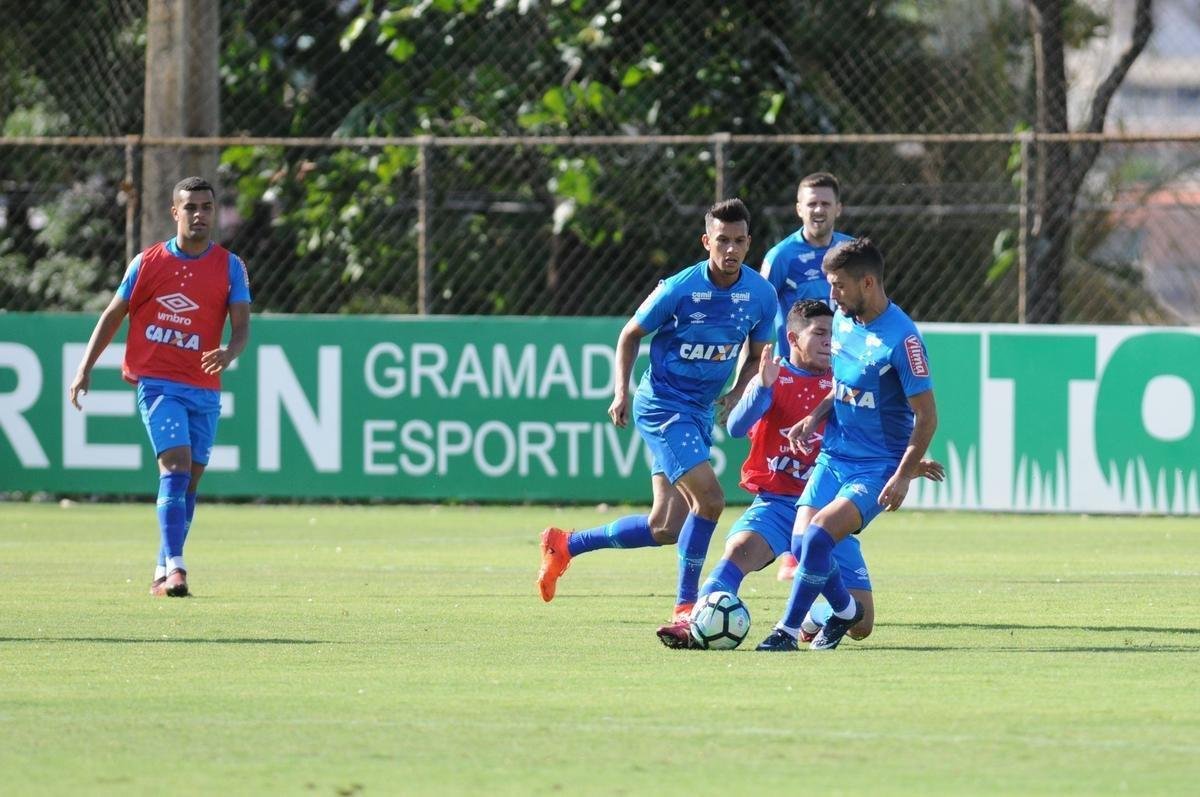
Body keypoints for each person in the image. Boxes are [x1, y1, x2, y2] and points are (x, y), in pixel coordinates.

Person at [537, 198, 777, 635]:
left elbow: (757, 355)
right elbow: (630, 334)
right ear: (707, 241)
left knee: (665, 525)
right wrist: (620, 392)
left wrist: (739, 390)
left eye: (739, 241)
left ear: (748, 243)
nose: (731, 249)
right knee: (711, 501)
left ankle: (566, 544)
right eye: (722, 240)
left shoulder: (761, 294)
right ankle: (687, 607)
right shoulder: (679, 289)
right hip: (664, 405)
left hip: (699, 411)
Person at [656, 299, 943, 649]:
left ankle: (814, 617)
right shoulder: (775, 376)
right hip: (777, 503)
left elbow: (869, 444)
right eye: (819, 333)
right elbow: (734, 427)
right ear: (792, 338)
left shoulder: (847, 380)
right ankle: (696, 625)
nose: (829, 341)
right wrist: (760, 387)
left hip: (829, 507)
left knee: (863, 625)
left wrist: (908, 466)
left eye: (832, 334)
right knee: (736, 554)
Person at [68, 176, 251, 598]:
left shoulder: (230, 266)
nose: (199, 214)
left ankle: (159, 568)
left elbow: (241, 328)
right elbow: (114, 315)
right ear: (175, 212)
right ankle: (177, 567)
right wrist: (85, 367)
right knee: (176, 465)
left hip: (204, 389)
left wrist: (229, 352)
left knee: (190, 482)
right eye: (191, 207)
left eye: (206, 207)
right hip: (158, 384)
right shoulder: (147, 263)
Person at [756, 237, 937, 652]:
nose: (830, 295)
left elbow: (927, 417)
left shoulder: (903, 340)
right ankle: (844, 611)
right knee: (802, 545)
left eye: (837, 285)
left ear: (868, 283)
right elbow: (842, 386)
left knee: (818, 536)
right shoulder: (841, 318)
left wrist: (904, 474)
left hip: (876, 466)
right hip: (835, 454)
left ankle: (785, 631)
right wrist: (814, 417)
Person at [760, 171, 853, 581]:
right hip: (793, 377)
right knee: (793, 457)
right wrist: (755, 369)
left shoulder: (850, 252)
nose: (818, 209)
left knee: (834, 456)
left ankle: (812, 546)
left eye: (825, 202)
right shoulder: (781, 256)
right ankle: (794, 547)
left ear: (838, 208)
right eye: (810, 203)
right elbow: (760, 313)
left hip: (841, 374)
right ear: (799, 208)